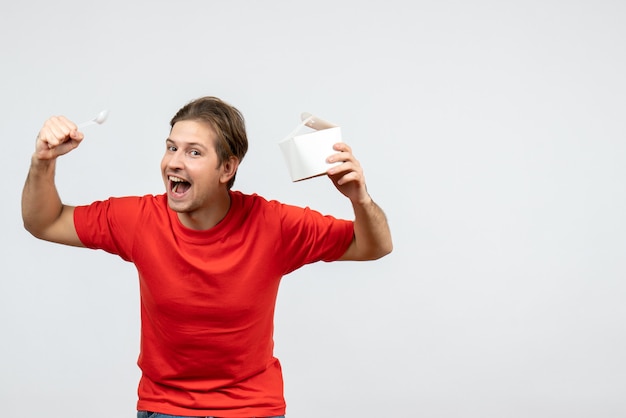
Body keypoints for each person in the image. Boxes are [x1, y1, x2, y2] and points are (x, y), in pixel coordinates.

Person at [21, 96, 393, 418]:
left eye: (193, 152)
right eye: (171, 147)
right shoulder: (139, 220)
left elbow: (374, 245)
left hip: (252, 408)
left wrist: (359, 198)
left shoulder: (273, 224)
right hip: (164, 407)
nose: (173, 163)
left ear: (228, 168)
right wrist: (43, 161)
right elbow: (46, 221)